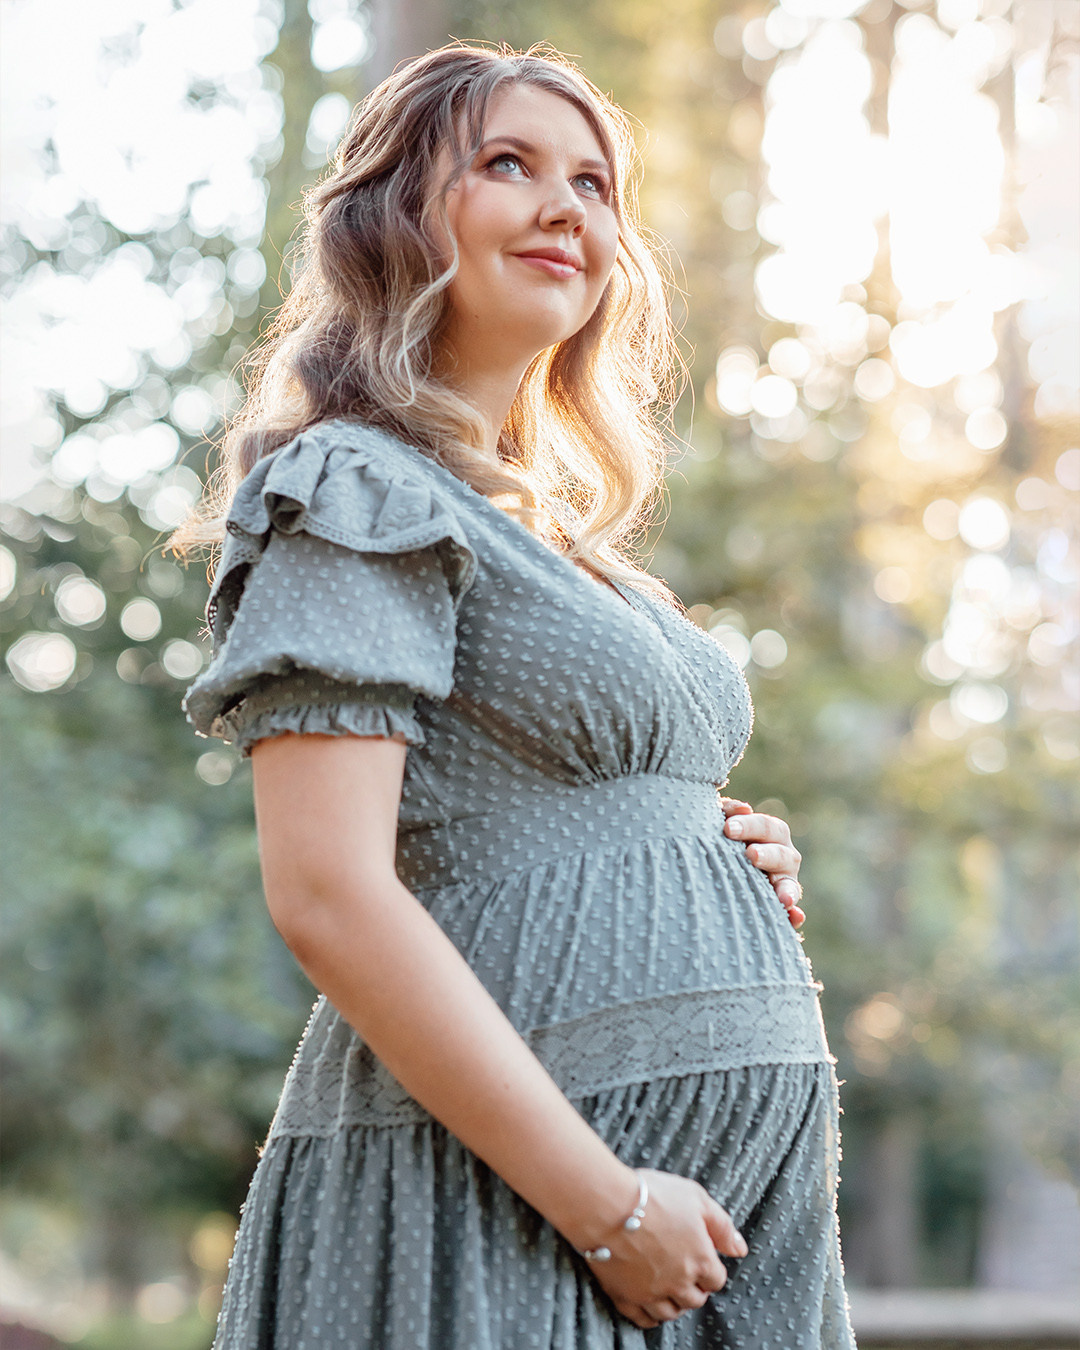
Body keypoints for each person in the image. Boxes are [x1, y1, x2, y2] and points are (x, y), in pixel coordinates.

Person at [176, 42, 855, 1349]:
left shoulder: (572, 551)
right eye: (508, 164)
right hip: (504, 1211)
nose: (565, 208)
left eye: (593, 184)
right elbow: (325, 892)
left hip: (713, 1227)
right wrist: (604, 1205)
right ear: (394, 217)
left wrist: (711, 849)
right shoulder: (355, 489)